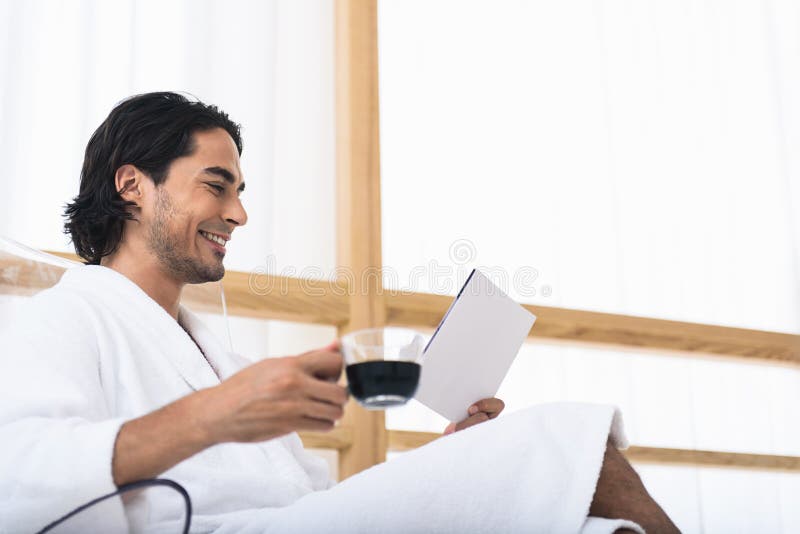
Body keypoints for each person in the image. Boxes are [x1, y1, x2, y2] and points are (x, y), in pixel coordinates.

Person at [0, 92, 677, 533]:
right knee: (563, 439)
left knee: (594, 526)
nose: (238, 213)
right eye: (217, 186)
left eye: (240, 191)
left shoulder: (223, 363)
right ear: (132, 186)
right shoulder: (61, 321)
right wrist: (216, 413)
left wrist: (451, 464)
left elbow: (315, 504)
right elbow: (16, 477)